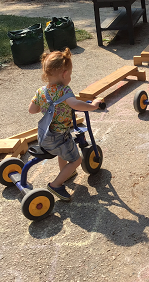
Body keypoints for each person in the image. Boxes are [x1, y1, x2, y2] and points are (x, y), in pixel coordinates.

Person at [29, 48, 102, 201]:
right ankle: (56, 184)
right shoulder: (64, 91)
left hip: (44, 136)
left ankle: (65, 171)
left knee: (64, 148)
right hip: (58, 138)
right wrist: (93, 106)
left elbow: (32, 110)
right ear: (64, 74)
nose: (70, 76)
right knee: (77, 160)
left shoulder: (41, 91)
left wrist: (44, 104)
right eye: (69, 73)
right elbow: (76, 105)